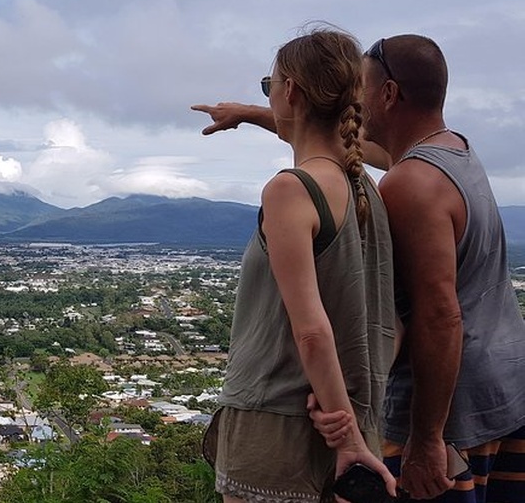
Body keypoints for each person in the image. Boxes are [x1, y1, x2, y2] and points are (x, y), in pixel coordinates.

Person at [194, 34, 525, 503]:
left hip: (402, 415)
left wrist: (399, 432)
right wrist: (253, 113)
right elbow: (393, 319)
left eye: (272, 85)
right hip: (483, 393)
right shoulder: (410, 169)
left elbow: (431, 316)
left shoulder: (389, 185)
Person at [199, 28, 397, 503]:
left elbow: (311, 330)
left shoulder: (292, 190)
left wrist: (344, 436)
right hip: (351, 416)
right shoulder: (365, 187)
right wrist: (349, 425)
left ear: (290, 91)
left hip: (279, 423)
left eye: (270, 87)